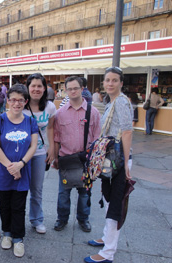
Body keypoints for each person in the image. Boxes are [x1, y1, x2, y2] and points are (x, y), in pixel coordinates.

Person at [84, 67, 133, 263]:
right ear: (103, 83)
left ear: (121, 83)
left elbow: (127, 131)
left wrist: (127, 163)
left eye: (115, 80)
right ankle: (106, 238)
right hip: (112, 159)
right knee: (108, 201)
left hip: (119, 160)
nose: (110, 83)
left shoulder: (120, 101)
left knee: (115, 206)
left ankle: (108, 253)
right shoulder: (112, 101)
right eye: (107, 80)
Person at [0, 84, 38, 258]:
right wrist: (12, 167)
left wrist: (21, 165)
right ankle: (7, 233)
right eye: (13, 99)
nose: (16, 103)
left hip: (22, 171)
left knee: (18, 206)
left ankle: (18, 238)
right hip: (2, 171)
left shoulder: (31, 121)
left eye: (20, 100)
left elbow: (33, 146)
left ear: (25, 102)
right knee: (4, 205)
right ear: (7, 100)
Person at [53, 76, 101, 233]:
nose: (73, 91)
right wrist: (55, 157)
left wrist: (94, 160)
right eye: (70, 89)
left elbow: (97, 138)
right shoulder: (60, 113)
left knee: (85, 193)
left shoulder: (92, 112)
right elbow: (56, 137)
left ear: (82, 89)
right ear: (66, 91)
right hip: (66, 160)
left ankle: (83, 219)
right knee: (63, 193)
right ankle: (62, 219)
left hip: (85, 161)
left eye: (76, 88)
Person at [23, 73, 56, 234]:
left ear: (44, 88)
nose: (36, 89)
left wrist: (51, 148)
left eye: (39, 86)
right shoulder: (20, 104)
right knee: (19, 189)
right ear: (28, 88)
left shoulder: (50, 107)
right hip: (21, 154)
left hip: (40, 153)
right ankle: (16, 219)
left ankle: (37, 219)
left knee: (37, 189)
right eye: (33, 86)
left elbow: (50, 128)